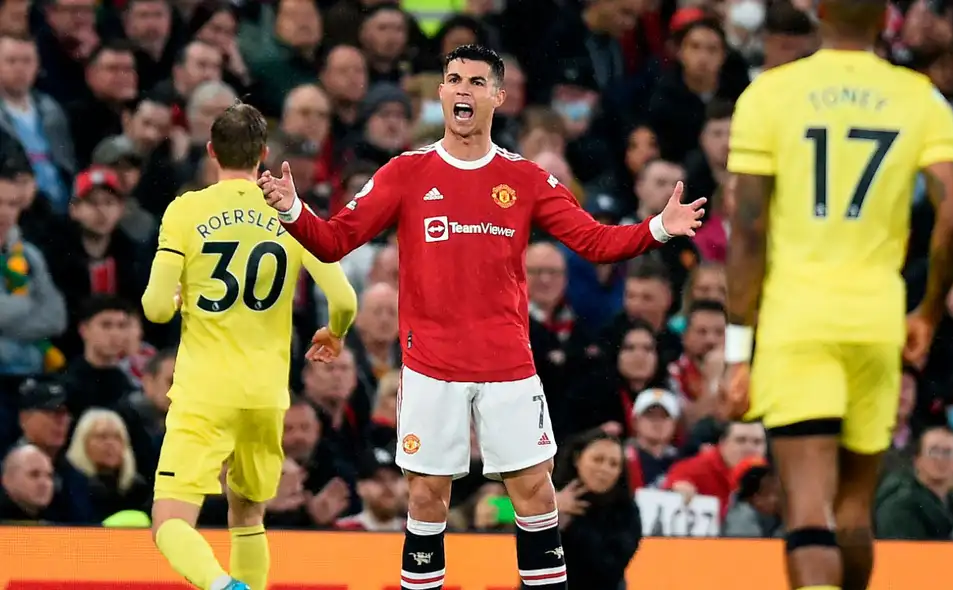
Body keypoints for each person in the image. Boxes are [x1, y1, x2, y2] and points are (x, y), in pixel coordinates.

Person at [258, 45, 705, 590]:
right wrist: (290, 209)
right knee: (426, 497)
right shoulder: (406, 172)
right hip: (429, 367)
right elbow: (334, 241)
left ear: (498, 95)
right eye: (452, 80)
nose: (462, 90)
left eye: (475, 81)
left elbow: (593, 240)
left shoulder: (524, 177)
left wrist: (658, 227)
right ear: (442, 93)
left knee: (537, 494)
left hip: (507, 366)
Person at [721, 0, 953, 588]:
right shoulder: (922, 98)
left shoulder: (769, 94)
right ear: (885, 20)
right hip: (877, 320)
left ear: (819, 15)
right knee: (855, 511)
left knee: (809, 511)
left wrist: (737, 351)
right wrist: (929, 313)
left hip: (796, 318)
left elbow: (748, 227)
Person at [141, 102, 358, 590]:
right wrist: (335, 333)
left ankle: (220, 586)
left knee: (169, 521)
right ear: (264, 153)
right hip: (265, 395)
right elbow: (343, 298)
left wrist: (176, 299)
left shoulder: (187, 210)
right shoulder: (288, 210)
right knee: (249, 516)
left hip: (204, 392)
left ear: (211, 150)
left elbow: (155, 309)